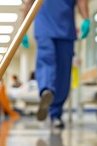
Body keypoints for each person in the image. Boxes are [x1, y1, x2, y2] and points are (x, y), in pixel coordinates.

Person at [22, 0, 90, 129]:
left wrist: (86, 19)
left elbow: (81, 1)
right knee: (47, 59)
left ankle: (54, 109)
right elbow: (29, 3)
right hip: (45, 28)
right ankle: (47, 93)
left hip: (66, 29)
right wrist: (23, 29)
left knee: (63, 73)